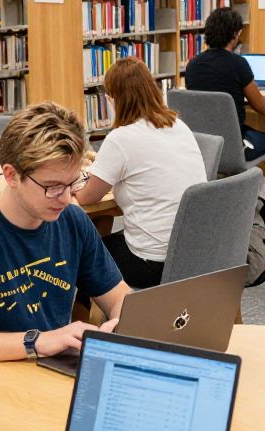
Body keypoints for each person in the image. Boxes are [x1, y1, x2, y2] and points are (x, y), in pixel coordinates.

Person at [0, 102, 131, 367]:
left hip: (50, 373)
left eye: (73, 182)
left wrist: (118, 323)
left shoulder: (72, 221)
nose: (67, 198)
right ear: (11, 175)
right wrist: (37, 341)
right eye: (52, 187)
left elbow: (121, 298)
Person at [76, 57, 206, 289]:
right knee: (103, 224)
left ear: (114, 99)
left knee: (83, 257)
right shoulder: (179, 125)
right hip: (193, 255)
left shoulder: (120, 139)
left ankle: (95, 317)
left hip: (151, 262)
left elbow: (86, 198)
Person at [184, 7, 265, 159]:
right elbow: (261, 106)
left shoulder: (193, 65)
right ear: (234, 34)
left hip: (203, 147)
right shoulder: (238, 64)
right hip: (233, 146)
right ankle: (252, 181)